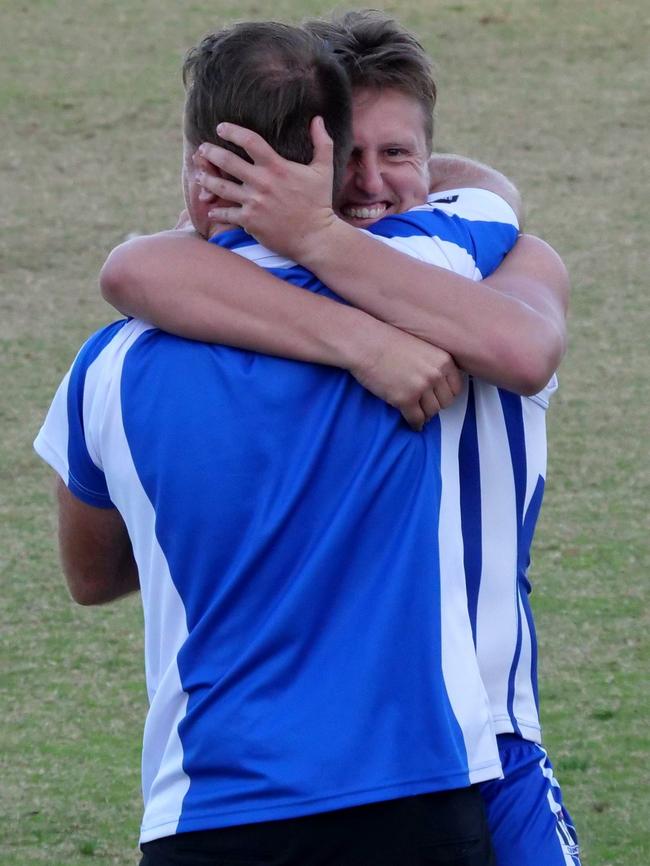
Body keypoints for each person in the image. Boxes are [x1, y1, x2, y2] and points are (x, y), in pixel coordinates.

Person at [34, 21, 526, 866]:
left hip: (210, 815)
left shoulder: (106, 367)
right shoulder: (436, 269)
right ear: (331, 166)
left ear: (198, 170)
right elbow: (492, 192)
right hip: (417, 796)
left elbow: (91, 575)